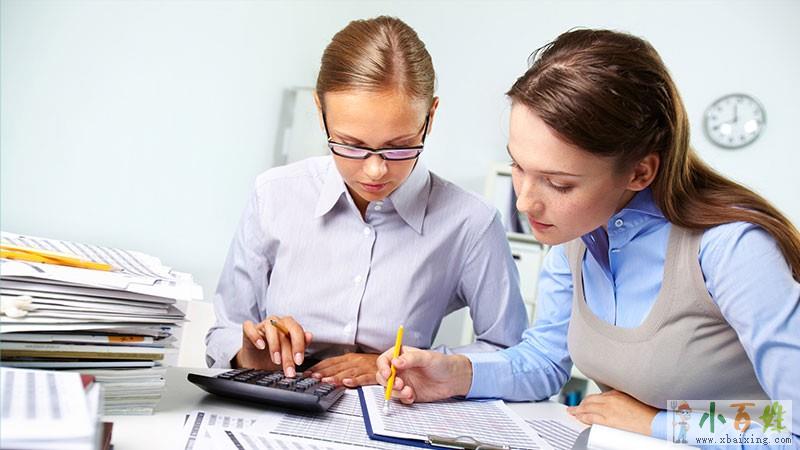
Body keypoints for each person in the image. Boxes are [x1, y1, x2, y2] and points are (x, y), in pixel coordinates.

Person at [377, 28, 800, 445]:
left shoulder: (734, 249)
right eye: (518, 167)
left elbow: (793, 428)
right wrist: (456, 375)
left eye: (558, 184)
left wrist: (657, 423)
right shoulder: (576, 236)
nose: (525, 203)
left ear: (640, 172)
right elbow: (545, 360)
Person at [205, 16, 527, 388]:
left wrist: (408, 365)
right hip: (276, 398)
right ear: (320, 111)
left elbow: (511, 352)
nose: (375, 170)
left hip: (393, 409)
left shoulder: (471, 222)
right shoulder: (274, 195)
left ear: (430, 116)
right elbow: (224, 331)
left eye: (399, 147)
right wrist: (250, 354)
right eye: (351, 145)